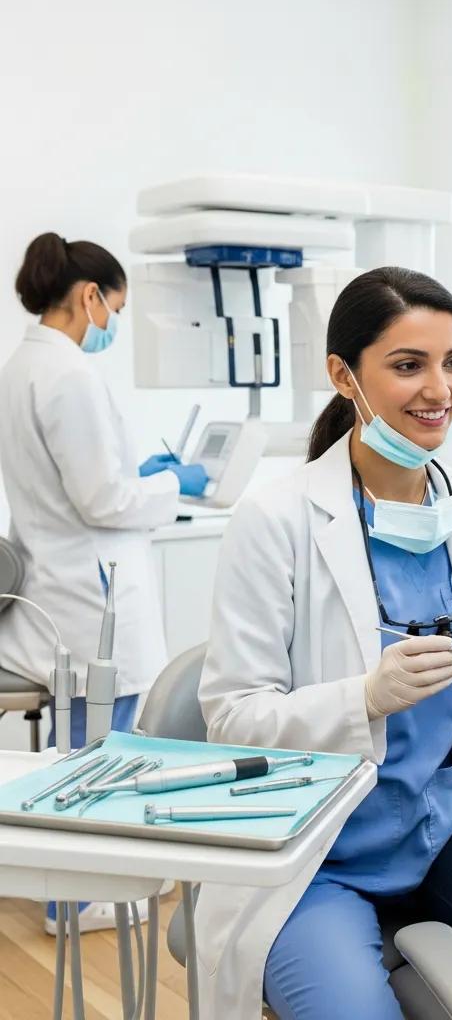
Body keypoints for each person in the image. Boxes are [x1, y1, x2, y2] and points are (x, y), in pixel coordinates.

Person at [196, 266, 452, 1020]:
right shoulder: (276, 518)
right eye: (409, 365)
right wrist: (364, 699)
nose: (439, 389)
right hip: (315, 854)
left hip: (441, 828)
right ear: (343, 375)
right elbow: (233, 716)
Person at [0, 232, 208, 933]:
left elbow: (78, 481)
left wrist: (137, 472)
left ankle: (64, 886)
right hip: (88, 595)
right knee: (96, 747)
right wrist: (171, 485)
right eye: (115, 309)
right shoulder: (69, 375)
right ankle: (76, 900)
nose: (112, 324)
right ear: (90, 296)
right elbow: (103, 500)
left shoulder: (23, 366)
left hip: (59, 581)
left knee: (77, 746)